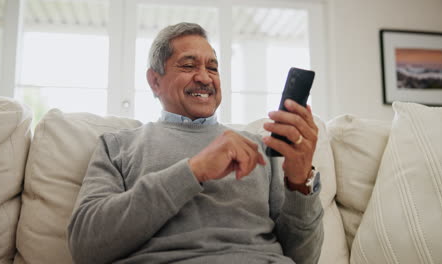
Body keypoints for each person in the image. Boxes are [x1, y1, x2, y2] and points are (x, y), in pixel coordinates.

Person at [68, 22, 323, 264]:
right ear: (155, 81)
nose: (205, 78)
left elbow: (303, 257)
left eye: (212, 68)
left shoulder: (260, 149)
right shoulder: (118, 146)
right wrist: (193, 170)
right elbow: (86, 247)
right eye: (188, 66)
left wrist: (299, 184)